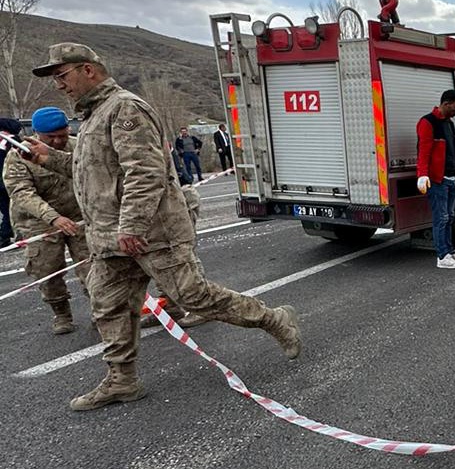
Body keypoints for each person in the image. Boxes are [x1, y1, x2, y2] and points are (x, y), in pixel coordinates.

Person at [26, 43, 302, 412]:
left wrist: (132, 224)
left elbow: (145, 172)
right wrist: (49, 158)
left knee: (193, 297)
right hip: (109, 238)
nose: (59, 85)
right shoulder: (94, 115)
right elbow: (92, 171)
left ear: (88, 70)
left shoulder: (124, 108)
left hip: (150, 233)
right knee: (108, 307)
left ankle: (274, 319)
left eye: (62, 75)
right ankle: (122, 379)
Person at [2, 107, 91, 334]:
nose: (58, 141)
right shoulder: (19, 155)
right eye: (51, 137)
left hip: (78, 214)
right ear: (37, 133)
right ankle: (61, 314)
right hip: (38, 221)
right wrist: (53, 218)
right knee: (47, 268)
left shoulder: (79, 145)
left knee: (94, 266)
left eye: (62, 135)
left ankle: (102, 311)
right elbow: (22, 193)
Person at [416, 89, 455, 270]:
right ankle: (442, 256)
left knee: (450, 217)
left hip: (449, 178)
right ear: (446, 103)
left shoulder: (450, 124)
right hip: (436, 179)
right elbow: (423, 151)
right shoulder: (427, 122)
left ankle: (449, 250)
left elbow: (453, 153)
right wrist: (422, 175)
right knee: (441, 218)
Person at [0, 117, 20, 248]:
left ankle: (6, 234)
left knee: (5, 209)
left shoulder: (4, 140)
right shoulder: (13, 141)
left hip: (3, 180)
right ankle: (5, 234)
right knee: (11, 209)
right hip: (9, 179)